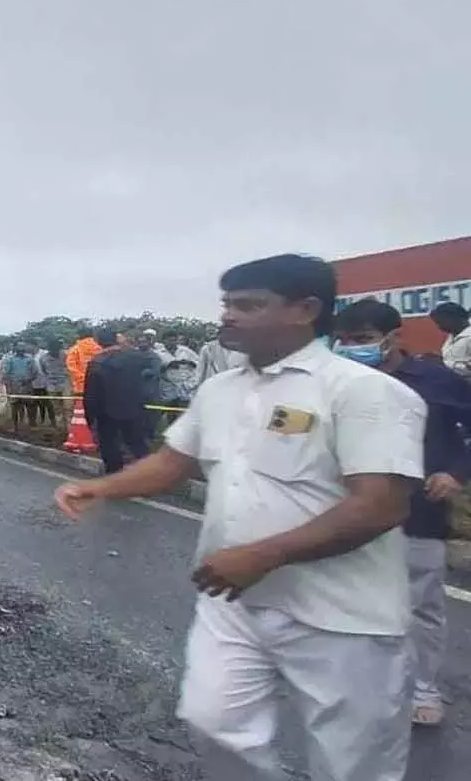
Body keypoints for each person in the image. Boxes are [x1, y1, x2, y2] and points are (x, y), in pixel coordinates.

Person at [54, 254, 426, 781]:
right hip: (235, 602)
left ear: (305, 309)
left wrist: (263, 555)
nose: (229, 315)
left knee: (352, 763)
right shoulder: (220, 389)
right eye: (227, 303)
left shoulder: (365, 392)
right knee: (214, 722)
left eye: (248, 305)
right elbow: (173, 462)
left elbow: (382, 503)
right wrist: (98, 486)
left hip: (342, 616)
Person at [333, 298, 470, 727]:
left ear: (394, 337)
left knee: (420, 604)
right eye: (344, 340)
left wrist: (455, 473)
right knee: (350, 599)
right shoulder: (338, 381)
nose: (352, 347)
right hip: (347, 509)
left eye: (364, 339)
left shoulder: (436, 380)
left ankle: (423, 689)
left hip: (417, 510)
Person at [82, 330, 157, 473]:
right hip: (134, 409)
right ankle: (153, 475)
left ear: (98, 341)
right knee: (138, 444)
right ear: (117, 339)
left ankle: (115, 477)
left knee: (109, 446)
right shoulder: (135, 358)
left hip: (106, 413)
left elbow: (91, 395)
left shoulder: (97, 362)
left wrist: (90, 418)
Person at [1, 342, 38, 428]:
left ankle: (31, 425)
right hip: (14, 387)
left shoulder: (30, 359)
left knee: (30, 406)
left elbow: (35, 372)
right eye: (19, 347)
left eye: (23, 347)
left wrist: (28, 379)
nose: (21, 348)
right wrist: (8, 387)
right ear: (15, 348)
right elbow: (6, 374)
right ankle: (15, 426)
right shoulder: (10, 359)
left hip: (27, 386)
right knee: (15, 407)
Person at [33, 339, 69, 425]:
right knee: (57, 408)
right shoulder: (43, 358)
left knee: (68, 408)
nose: (55, 351)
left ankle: (70, 429)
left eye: (57, 349)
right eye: (53, 349)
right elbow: (43, 371)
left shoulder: (66, 355)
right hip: (51, 386)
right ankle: (60, 428)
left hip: (65, 385)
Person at [429, 302, 470, 377]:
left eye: (440, 322)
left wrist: (443, 363)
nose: (439, 326)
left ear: (454, 318)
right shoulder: (452, 335)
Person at [64, 326, 102, 398]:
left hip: (81, 387)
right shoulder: (100, 348)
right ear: (93, 335)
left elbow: (71, 368)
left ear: (79, 335)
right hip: (99, 386)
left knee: (81, 408)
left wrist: (83, 378)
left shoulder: (74, 349)